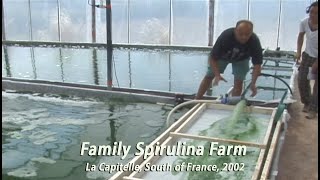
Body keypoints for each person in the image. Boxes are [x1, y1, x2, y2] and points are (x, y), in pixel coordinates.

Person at [195, 20, 263, 99]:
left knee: (239, 81)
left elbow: (257, 65)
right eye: (240, 34)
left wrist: (253, 83)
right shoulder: (226, 36)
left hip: (242, 59)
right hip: (223, 57)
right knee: (209, 76)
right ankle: (197, 98)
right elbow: (213, 58)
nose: (244, 37)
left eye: (247, 34)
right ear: (235, 31)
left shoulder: (254, 41)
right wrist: (217, 75)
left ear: (251, 33)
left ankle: (233, 103)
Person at [296, 1, 318, 119]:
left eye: (316, 13)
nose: (313, 15)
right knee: (302, 80)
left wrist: (316, 63)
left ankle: (314, 109)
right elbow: (300, 36)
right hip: (308, 55)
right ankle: (307, 103)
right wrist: (299, 51)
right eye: (311, 12)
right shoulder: (304, 22)